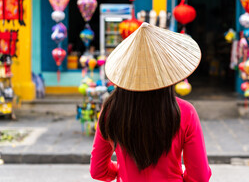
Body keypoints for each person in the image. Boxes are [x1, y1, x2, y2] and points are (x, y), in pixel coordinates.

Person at [90, 22, 211, 182]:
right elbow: (199, 176)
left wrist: (120, 171)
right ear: (168, 71)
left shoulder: (111, 109)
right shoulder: (185, 112)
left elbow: (98, 171)